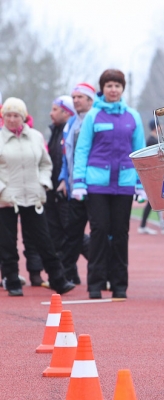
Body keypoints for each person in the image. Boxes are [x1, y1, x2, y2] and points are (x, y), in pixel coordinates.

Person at [72, 69, 146, 299]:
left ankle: (119, 285)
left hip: (124, 184)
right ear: (102, 89)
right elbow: (82, 150)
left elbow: (140, 152)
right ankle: (95, 284)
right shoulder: (93, 116)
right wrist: (78, 182)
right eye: (109, 86)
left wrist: (141, 184)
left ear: (123, 89)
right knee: (99, 232)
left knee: (121, 233)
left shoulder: (133, 116)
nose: (113, 90)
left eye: (117, 86)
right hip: (97, 185)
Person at [0, 97, 76, 296]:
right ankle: (12, 281)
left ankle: (58, 280)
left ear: (23, 117)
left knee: (44, 240)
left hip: (33, 196)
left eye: (16, 115)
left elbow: (45, 163)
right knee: (7, 242)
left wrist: (43, 183)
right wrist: (2, 189)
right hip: (6, 198)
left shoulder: (35, 137)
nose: (12, 119)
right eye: (8, 115)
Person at [58, 83, 95, 284]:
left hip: (95, 187)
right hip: (75, 188)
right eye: (73, 97)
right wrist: (64, 178)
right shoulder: (70, 124)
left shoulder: (96, 119)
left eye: (80, 97)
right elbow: (67, 156)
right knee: (72, 233)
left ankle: (102, 275)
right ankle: (67, 274)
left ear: (90, 100)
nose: (75, 101)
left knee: (100, 233)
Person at [45, 96, 76, 264]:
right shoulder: (55, 132)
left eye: (55, 110)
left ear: (67, 113)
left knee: (72, 235)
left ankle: (104, 266)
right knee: (56, 235)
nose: (51, 113)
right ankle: (67, 273)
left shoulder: (71, 133)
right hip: (53, 193)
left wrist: (65, 181)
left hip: (65, 193)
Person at [138, 119, 164, 235]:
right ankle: (163, 226)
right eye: (160, 125)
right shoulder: (151, 141)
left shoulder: (155, 140)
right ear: (156, 127)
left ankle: (143, 225)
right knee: (159, 200)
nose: (162, 127)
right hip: (155, 175)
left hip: (157, 173)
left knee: (153, 202)